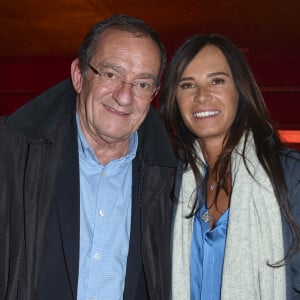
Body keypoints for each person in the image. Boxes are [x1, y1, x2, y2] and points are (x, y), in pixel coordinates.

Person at [0, 15, 177, 300]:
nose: (124, 96)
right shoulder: (11, 155)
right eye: (110, 74)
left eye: (142, 84)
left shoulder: (175, 182)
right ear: (79, 76)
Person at [159, 34, 300, 300]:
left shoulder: (289, 176)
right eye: (187, 85)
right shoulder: (169, 182)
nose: (202, 96)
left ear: (240, 89)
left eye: (217, 80)